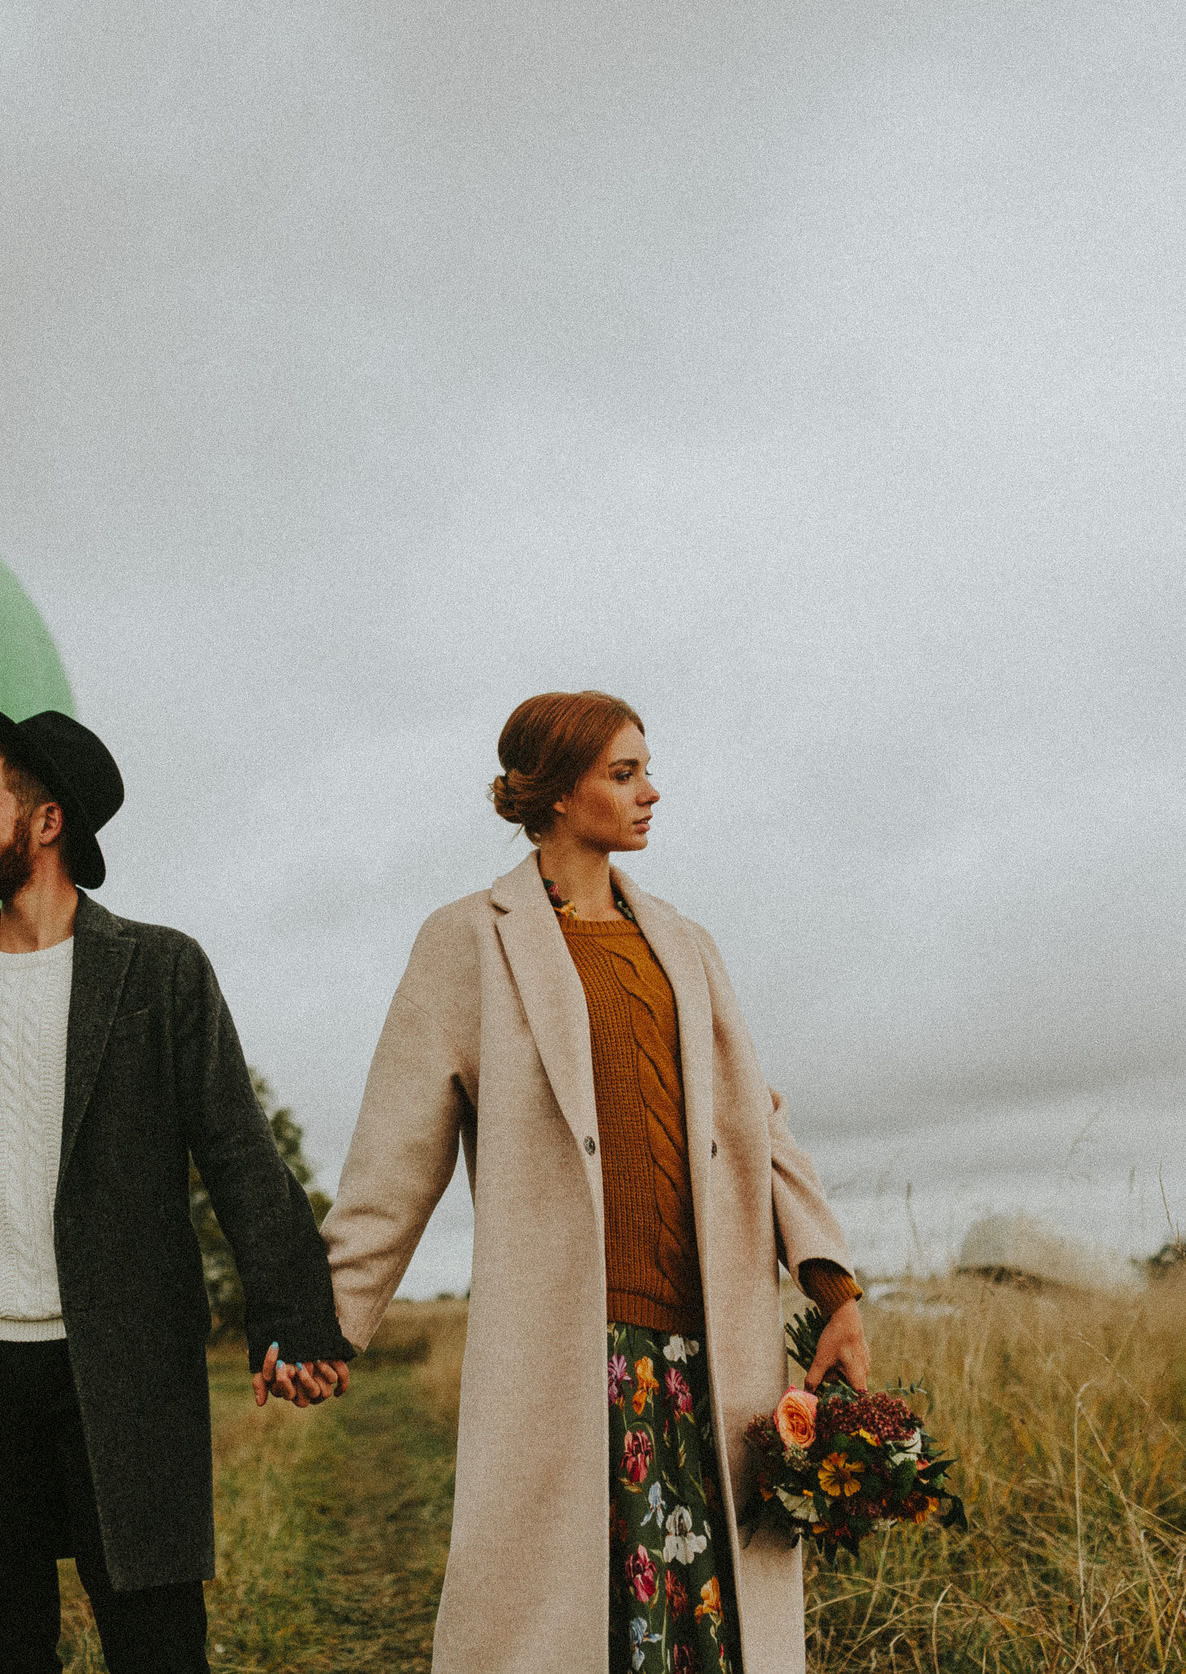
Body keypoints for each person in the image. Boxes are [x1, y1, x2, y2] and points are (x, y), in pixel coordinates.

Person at [319, 690, 867, 1674]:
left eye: (645, 769)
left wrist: (835, 1290)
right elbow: (394, 1158)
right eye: (624, 773)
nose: (651, 791)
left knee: (707, 1638)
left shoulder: (686, 946)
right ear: (556, 793)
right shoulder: (468, 941)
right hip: (573, 1357)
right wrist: (324, 1323)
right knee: (578, 1637)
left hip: (709, 1360)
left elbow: (759, 1124)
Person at [0, 702, 353, 1674]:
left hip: (123, 1368)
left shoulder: (158, 971)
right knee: (4, 1651)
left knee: (158, 1648)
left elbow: (237, 1152)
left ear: (44, 825)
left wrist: (293, 1317)